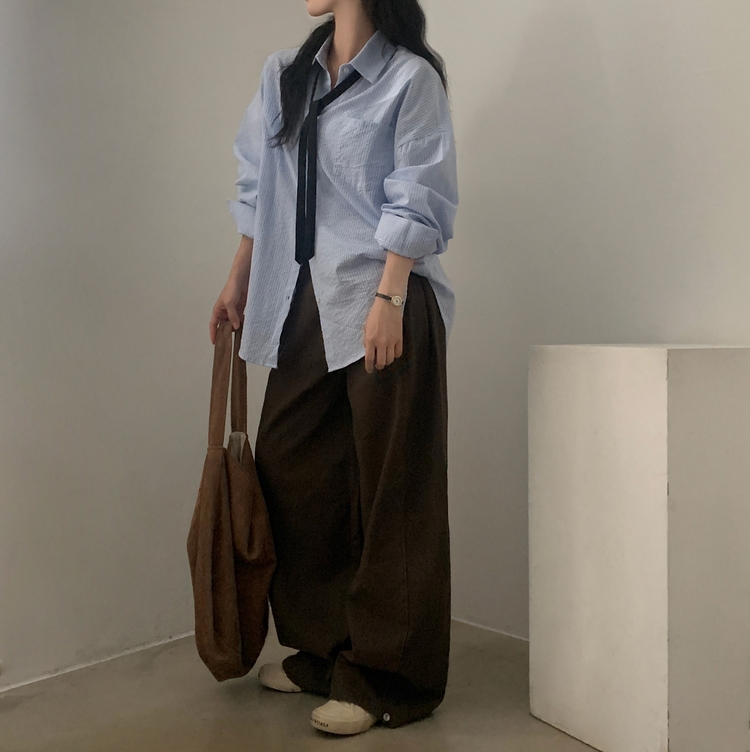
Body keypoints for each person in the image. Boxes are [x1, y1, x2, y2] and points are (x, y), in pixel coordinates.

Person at [209, 0, 458, 737]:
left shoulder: (410, 80)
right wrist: (238, 278)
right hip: (300, 299)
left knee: (393, 489)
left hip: (385, 298)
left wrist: (390, 295)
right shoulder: (285, 76)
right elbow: (261, 185)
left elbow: (420, 189)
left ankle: (389, 679)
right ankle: (323, 650)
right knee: (294, 472)